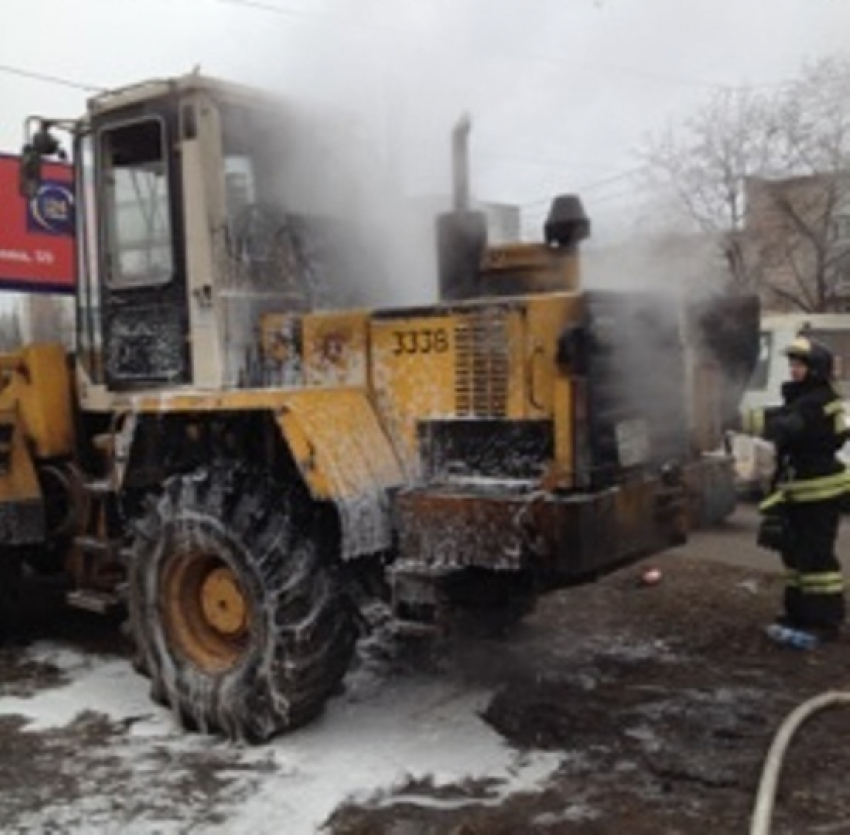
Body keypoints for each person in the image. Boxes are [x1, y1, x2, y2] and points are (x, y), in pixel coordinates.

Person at [742, 335, 850, 645]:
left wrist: (773, 432)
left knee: (817, 559)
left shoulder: (820, 400)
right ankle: (799, 614)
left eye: (800, 364)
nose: (793, 369)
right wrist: (733, 417)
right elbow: (779, 415)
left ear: (816, 368)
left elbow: (791, 423)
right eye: (792, 363)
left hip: (818, 492)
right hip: (799, 490)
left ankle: (826, 621)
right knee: (795, 555)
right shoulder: (803, 396)